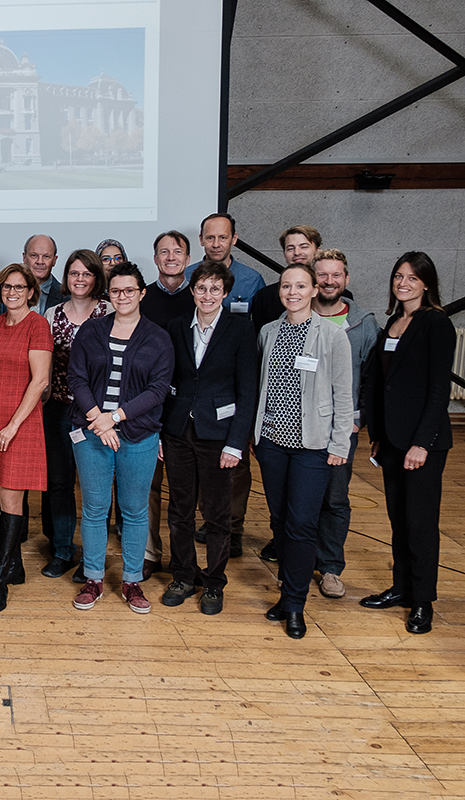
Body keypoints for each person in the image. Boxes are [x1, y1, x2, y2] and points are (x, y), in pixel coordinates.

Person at [253, 263, 352, 640]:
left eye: (300, 286)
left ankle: (295, 604)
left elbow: (344, 395)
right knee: (280, 522)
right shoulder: (269, 332)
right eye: (286, 286)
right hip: (273, 444)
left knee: (302, 524)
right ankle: (286, 593)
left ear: (313, 290)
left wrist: (340, 443)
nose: (292, 292)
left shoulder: (332, 336)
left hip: (313, 446)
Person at [67, 262, 172, 615]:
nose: (122, 296)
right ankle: (94, 577)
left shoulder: (158, 337)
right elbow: (76, 379)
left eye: (129, 290)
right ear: (107, 295)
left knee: (134, 510)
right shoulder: (91, 332)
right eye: (115, 291)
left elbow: (158, 390)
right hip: (92, 432)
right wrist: (99, 419)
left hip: (138, 435)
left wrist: (115, 417)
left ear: (142, 293)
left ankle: (131, 580)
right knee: (95, 509)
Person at [360, 252, 454, 635]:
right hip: (393, 440)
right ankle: (401, 587)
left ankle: (423, 600)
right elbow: (385, 386)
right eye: (399, 276)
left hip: (422, 443)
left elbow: (437, 390)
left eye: (413, 277)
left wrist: (422, 443)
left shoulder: (435, 324)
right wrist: (379, 437)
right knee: (398, 519)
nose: (404, 283)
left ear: (427, 283)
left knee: (421, 523)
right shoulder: (393, 323)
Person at [159, 260, 257, 615]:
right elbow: (166, 383)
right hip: (178, 432)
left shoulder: (241, 329)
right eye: (201, 288)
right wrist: (160, 431)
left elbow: (248, 391)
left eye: (215, 289)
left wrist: (236, 442)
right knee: (180, 511)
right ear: (192, 290)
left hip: (219, 435)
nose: (208, 295)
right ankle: (184, 575)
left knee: (217, 514)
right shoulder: (175, 327)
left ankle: (214, 582)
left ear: (226, 293)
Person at [0, 263, 53, 613]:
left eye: (20, 287)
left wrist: (12, 426)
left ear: (31, 291)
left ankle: (0, 580)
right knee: (0, 497)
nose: (12, 292)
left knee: (11, 500)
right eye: (7, 286)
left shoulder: (38, 325)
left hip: (19, 424)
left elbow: (40, 381)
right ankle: (13, 567)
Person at [310, 248, 378, 599]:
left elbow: (373, 377)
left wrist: (359, 419)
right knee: (301, 498)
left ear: (346, 279)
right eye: (322, 274)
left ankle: (331, 567)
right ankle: (300, 563)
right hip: (302, 426)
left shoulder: (363, 323)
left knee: (335, 498)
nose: (329, 281)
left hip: (342, 429)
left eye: (336, 275)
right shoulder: (296, 317)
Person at [43, 249, 110, 582]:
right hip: (57, 409)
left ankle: (94, 554)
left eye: (86, 273)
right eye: (74, 273)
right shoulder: (51, 314)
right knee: (59, 483)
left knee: (95, 487)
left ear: (96, 278)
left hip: (97, 413)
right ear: (66, 278)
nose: (79, 279)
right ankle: (62, 549)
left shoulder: (109, 313)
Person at [138, 230, 196, 576]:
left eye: (178, 252)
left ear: (188, 259)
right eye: (163, 252)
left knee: (184, 491)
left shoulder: (201, 298)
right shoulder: (143, 300)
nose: (171, 257)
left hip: (187, 408)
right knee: (147, 487)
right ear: (155, 258)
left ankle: (182, 560)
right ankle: (149, 553)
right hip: (148, 405)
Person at [0, 235, 64, 316]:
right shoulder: (7, 292)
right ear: (24, 257)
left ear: (54, 260)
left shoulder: (66, 296)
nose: (40, 261)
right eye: (34, 255)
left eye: (46, 256)